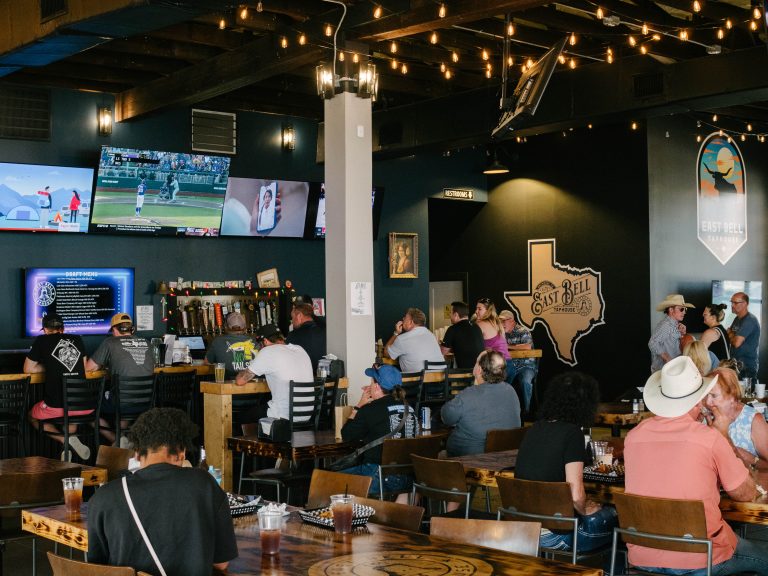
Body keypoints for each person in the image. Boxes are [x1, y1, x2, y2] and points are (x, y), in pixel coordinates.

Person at [624, 356, 768, 575]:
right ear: (698, 400)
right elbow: (746, 494)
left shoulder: (633, 437)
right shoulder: (710, 438)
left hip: (643, 555)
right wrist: (724, 436)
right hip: (701, 557)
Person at [87, 408, 238, 575]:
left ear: (137, 454)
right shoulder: (205, 484)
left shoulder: (103, 497)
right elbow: (221, 564)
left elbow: (98, 568)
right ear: (182, 453)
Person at [515, 371, 617, 553]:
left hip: (523, 529)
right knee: (617, 518)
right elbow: (576, 494)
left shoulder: (534, 429)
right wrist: (585, 510)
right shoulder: (572, 433)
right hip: (555, 534)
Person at [340, 364, 417, 502]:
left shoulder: (370, 409)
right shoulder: (409, 408)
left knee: (324, 479)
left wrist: (359, 406)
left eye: (371, 382)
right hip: (408, 478)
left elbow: (347, 435)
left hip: (378, 476)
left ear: (376, 387)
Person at [23, 313, 92, 461]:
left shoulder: (42, 340)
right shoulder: (77, 339)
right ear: (62, 328)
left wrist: (50, 367)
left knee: (31, 416)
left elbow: (28, 368)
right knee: (70, 414)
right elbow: (84, 366)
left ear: (45, 329)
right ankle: (69, 445)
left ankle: (65, 440)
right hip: (84, 405)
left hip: (56, 406)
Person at [85, 313, 155, 447]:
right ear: (131, 329)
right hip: (146, 402)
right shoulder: (147, 343)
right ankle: (123, 439)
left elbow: (89, 368)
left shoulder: (110, 342)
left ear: (114, 329)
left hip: (121, 403)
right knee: (123, 401)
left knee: (86, 409)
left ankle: (116, 439)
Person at [441, 350, 521, 457]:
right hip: (506, 457)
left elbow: (447, 418)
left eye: (476, 362)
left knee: (439, 455)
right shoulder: (511, 391)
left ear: (479, 369)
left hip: (469, 461)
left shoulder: (469, 395)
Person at [235, 324, 313, 420]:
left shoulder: (268, 351)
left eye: (260, 344)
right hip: (307, 415)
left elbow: (240, 381)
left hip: (283, 416)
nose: (259, 348)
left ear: (265, 341)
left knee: (240, 418)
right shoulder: (300, 349)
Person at [703, 366, 768, 470]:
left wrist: (750, 459)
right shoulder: (705, 416)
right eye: (706, 395)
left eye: (714, 396)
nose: (707, 402)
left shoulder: (753, 420)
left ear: (732, 397)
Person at [499, 309, 537, 413]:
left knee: (525, 381)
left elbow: (527, 347)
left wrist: (508, 346)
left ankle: (527, 411)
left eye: (504, 321)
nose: (501, 324)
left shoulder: (523, 331)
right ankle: (502, 410)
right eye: (500, 321)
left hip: (526, 366)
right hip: (510, 365)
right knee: (500, 381)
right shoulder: (501, 333)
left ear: (512, 321)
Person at [385, 307, 444, 373]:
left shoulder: (403, 339)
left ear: (411, 322)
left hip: (419, 379)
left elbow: (387, 353)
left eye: (405, 317)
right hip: (442, 377)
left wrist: (396, 333)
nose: (403, 319)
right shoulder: (431, 335)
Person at [648, 293, 693, 372]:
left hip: (671, 368)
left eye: (685, 309)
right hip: (663, 370)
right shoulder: (666, 325)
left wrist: (682, 334)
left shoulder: (675, 324)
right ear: (671, 310)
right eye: (681, 309)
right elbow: (652, 343)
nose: (684, 312)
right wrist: (666, 357)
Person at [205, 312, 257, 378]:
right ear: (245, 327)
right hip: (251, 382)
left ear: (226, 327)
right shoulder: (255, 341)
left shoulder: (217, 341)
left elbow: (206, 362)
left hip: (226, 382)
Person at [439, 301, 484, 369]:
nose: (450, 316)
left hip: (464, 372)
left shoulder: (453, 329)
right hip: (481, 370)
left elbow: (443, 352)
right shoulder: (476, 327)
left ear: (456, 315)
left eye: (450, 313)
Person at [285, 302, 327, 372]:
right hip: (323, 373)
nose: (292, 321)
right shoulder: (324, 331)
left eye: (293, 317)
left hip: (303, 375)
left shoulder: (293, 335)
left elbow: (287, 358)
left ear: (299, 316)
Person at [728, 291, 760, 379]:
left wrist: (730, 334)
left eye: (735, 303)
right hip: (736, 365)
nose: (732, 305)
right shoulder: (737, 319)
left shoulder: (750, 320)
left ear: (745, 304)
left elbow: (736, 343)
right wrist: (732, 335)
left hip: (746, 367)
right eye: (731, 302)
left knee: (746, 388)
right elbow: (730, 336)